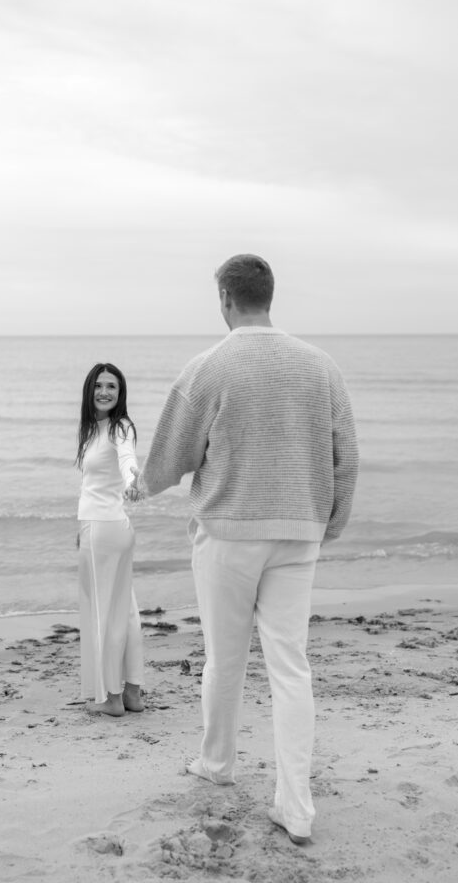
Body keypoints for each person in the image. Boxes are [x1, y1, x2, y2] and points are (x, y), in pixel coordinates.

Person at [127, 254, 358, 844]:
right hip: (298, 531)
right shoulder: (320, 366)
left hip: (228, 532)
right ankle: (297, 807)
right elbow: (346, 452)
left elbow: (177, 448)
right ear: (269, 296)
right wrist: (329, 522)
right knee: (291, 667)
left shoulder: (211, 365)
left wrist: (143, 486)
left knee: (224, 659)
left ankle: (217, 763)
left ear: (227, 299)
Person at [76, 362, 145, 718]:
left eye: (112, 387)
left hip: (103, 530)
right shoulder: (95, 430)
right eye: (99, 385)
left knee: (105, 616)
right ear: (90, 390)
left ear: (120, 394)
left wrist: (134, 479)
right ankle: (132, 693)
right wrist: (81, 526)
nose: (105, 392)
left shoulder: (119, 428)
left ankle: (111, 698)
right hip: (109, 526)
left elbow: (128, 460)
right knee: (126, 612)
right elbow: (91, 487)